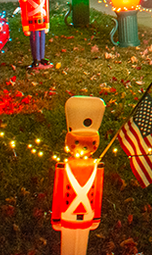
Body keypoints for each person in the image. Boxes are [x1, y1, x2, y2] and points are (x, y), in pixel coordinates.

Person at [52, 96, 105, 255]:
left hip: (87, 214)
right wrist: (56, 217)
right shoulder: (63, 167)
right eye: (78, 142)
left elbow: (98, 192)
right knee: (68, 246)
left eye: (91, 142)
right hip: (67, 214)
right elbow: (58, 192)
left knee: (82, 243)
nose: (85, 146)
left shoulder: (97, 167)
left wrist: (96, 216)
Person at [19, 0, 51, 69]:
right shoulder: (26, 0)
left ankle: (41, 57)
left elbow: (46, 11)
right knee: (34, 40)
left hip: (41, 23)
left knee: (42, 40)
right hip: (32, 24)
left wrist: (47, 24)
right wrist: (26, 27)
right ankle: (36, 59)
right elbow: (24, 13)